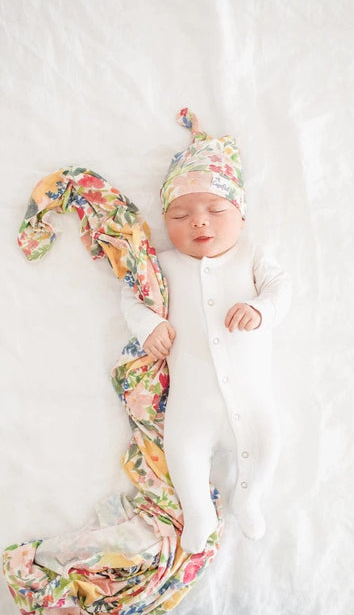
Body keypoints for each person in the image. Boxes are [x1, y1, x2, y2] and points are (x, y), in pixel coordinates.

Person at [121, 108, 292, 553]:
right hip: (190, 398)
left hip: (252, 394)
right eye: (180, 215)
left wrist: (260, 310)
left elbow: (280, 289)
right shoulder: (163, 264)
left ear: (241, 215)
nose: (199, 221)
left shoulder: (251, 254)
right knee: (181, 449)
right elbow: (132, 297)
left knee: (268, 439)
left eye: (216, 210)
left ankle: (249, 498)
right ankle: (198, 511)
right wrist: (150, 325)